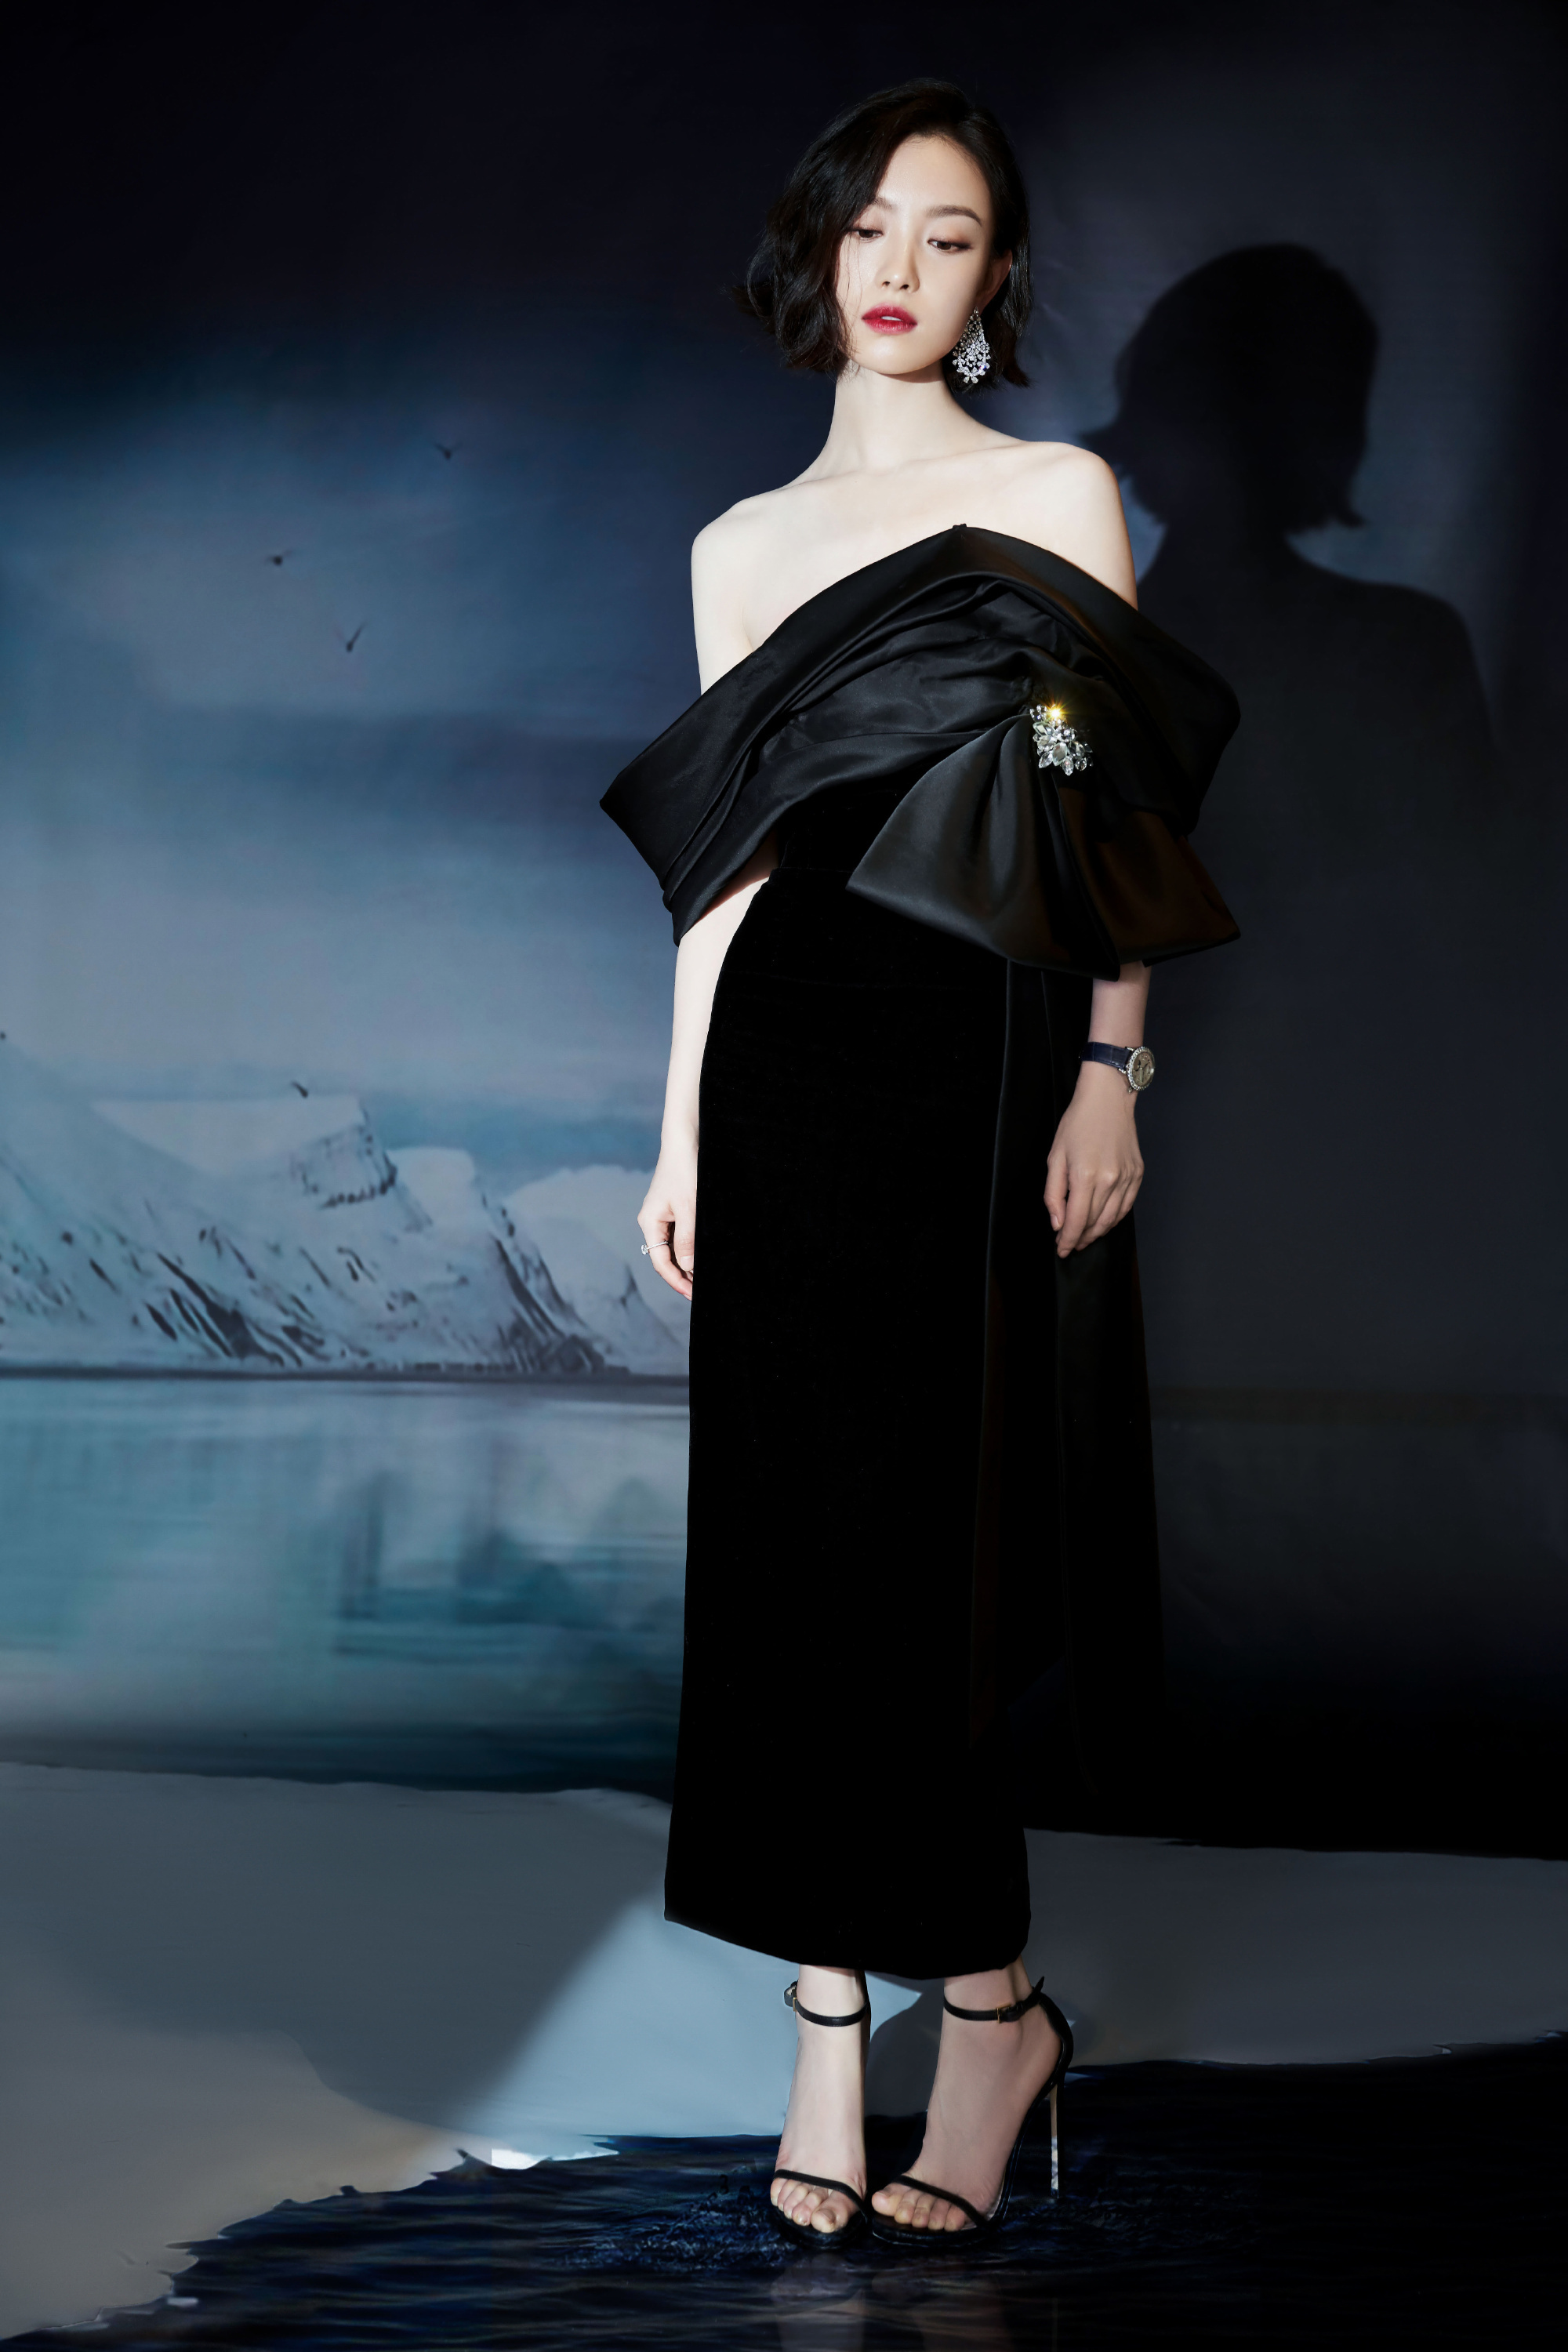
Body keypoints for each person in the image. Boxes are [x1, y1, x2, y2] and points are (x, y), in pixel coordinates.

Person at [602, 80, 1238, 2246]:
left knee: (931, 1547)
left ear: (994, 281)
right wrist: (679, 1127)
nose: (897, 267)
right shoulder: (738, 548)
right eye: (868, 224)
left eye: (946, 236)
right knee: (787, 1551)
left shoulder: (1053, 497)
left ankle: (985, 2019)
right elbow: (725, 877)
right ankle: (820, 2025)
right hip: (784, 1062)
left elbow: (1101, 799)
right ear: (818, 247)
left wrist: (1111, 1067)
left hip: (977, 1055)